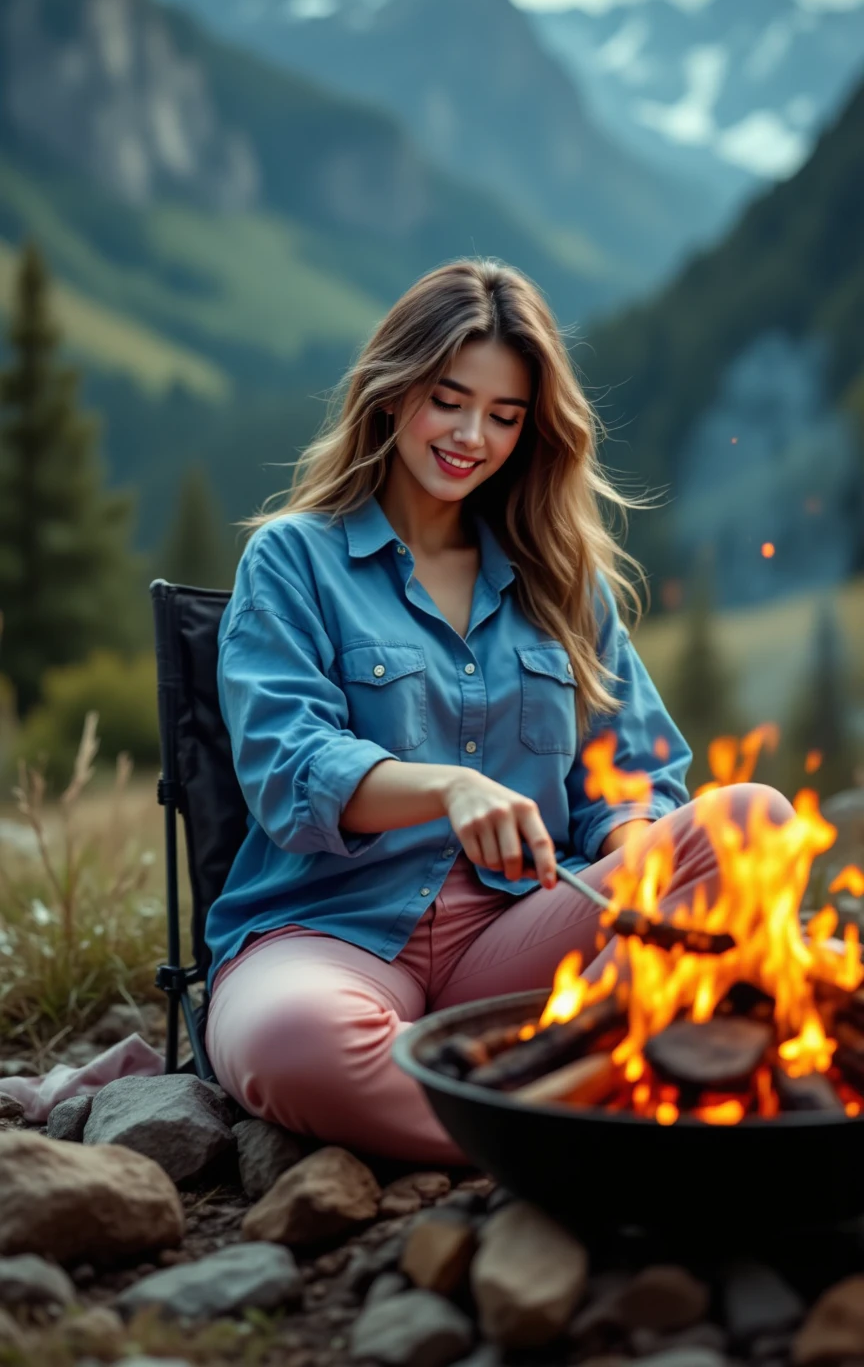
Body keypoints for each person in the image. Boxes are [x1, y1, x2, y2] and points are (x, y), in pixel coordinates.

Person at [205, 258, 793, 1164]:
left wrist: (641, 870)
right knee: (293, 1044)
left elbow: (633, 778)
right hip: (331, 933)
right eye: (449, 398)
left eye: (506, 416)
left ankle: (544, 1086)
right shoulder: (292, 560)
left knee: (755, 821)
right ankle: (582, 1116)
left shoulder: (564, 584)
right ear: (393, 394)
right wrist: (449, 788)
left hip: (524, 935)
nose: (472, 435)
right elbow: (288, 769)